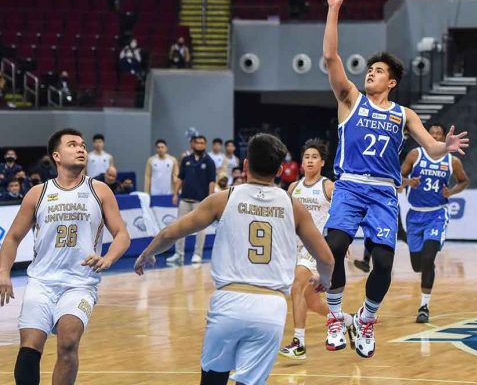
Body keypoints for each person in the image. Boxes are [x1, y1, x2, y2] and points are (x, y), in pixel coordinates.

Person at [321, 0, 469, 358]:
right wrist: (334, 9)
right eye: (369, 69)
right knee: (334, 249)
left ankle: (366, 319)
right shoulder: (349, 99)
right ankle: (336, 316)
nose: (370, 73)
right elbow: (329, 56)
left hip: (385, 192)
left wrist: (444, 148)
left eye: (378, 71)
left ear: (391, 82)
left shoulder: (403, 114)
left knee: (384, 263)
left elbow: (429, 147)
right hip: (351, 186)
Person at [134, 133, 334, 385]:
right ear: (281, 169)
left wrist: (146, 254)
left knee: (213, 381)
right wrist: (324, 279)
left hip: (229, 301)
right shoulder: (293, 206)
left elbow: (170, 232)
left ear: (246, 165)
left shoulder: (224, 198)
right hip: (270, 307)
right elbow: (326, 258)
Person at [0, 128, 130, 385]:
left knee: (68, 343)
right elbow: (13, 237)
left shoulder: (99, 190)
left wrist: (109, 259)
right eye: (73, 145)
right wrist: (4, 272)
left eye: (82, 145)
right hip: (41, 282)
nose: (81, 149)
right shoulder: (37, 193)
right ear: (57, 156)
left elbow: (122, 234)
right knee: (29, 350)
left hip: (80, 284)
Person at [400, 123, 470, 323]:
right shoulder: (415, 155)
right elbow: (399, 175)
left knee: (429, 258)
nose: (436, 136)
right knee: (417, 266)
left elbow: (464, 181)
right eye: (433, 134)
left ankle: (424, 306)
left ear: (444, 138)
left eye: (439, 134)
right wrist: (407, 182)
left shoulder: (452, 161)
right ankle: (420, 261)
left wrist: (452, 191)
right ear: (426, 136)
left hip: (437, 214)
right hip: (414, 215)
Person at [279, 139, 336, 360]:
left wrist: (342, 242)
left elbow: (342, 216)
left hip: (316, 248)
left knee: (296, 286)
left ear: (322, 162)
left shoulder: (329, 187)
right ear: (301, 162)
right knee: (311, 301)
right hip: (295, 247)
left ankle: (299, 343)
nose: (310, 160)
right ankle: (347, 320)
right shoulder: (294, 187)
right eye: (306, 157)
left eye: (314, 157)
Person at [167, 135, 216, 264]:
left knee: (201, 228)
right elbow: (180, 178)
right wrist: (175, 194)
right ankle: (179, 254)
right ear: (192, 145)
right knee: (179, 226)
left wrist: (210, 197)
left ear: (205, 145)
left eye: (202, 143)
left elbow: (212, 182)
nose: (199, 145)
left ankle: (198, 254)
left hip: (201, 201)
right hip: (185, 199)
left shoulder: (209, 162)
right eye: (197, 143)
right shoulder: (186, 160)